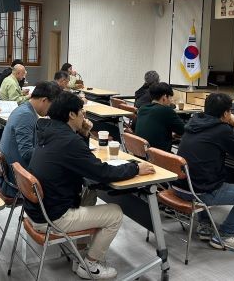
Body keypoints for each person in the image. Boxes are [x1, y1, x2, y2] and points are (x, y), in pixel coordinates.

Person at [25, 92, 155, 279]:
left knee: (90, 194)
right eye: (81, 111)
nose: (84, 115)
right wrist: (135, 168)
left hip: (38, 210)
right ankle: (90, 266)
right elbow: (101, 172)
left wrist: (84, 134)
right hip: (52, 218)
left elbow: (80, 160)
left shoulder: (48, 130)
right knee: (115, 213)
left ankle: (79, 251)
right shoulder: (68, 141)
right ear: (71, 114)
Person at [174, 93, 234, 252]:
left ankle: (205, 225)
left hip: (179, 187)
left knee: (205, 173)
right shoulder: (221, 130)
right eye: (230, 112)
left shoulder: (193, 122)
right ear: (226, 113)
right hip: (199, 192)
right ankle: (224, 235)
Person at [0, 81, 61, 197]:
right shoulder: (26, 115)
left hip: (13, 170)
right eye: (52, 106)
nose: (51, 111)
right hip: (18, 178)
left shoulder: (24, 108)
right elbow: (27, 153)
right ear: (44, 100)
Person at [135, 82, 185, 152]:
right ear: (164, 97)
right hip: (157, 155)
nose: (171, 101)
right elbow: (183, 130)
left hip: (140, 152)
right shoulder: (166, 111)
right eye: (170, 98)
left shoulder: (142, 109)